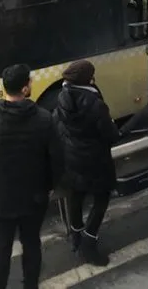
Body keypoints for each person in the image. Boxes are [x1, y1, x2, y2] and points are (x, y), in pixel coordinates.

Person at [0, 64, 63, 289]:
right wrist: (50, 185)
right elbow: (56, 158)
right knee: (32, 245)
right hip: (35, 198)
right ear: (26, 88)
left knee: (1, 251)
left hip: (2, 201)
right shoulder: (44, 119)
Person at [52, 60, 120, 266]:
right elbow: (110, 135)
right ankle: (89, 242)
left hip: (71, 159)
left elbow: (57, 125)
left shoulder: (63, 96)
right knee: (102, 197)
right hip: (95, 160)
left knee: (76, 196)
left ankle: (76, 235)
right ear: (87, 78)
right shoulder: (94, 103)